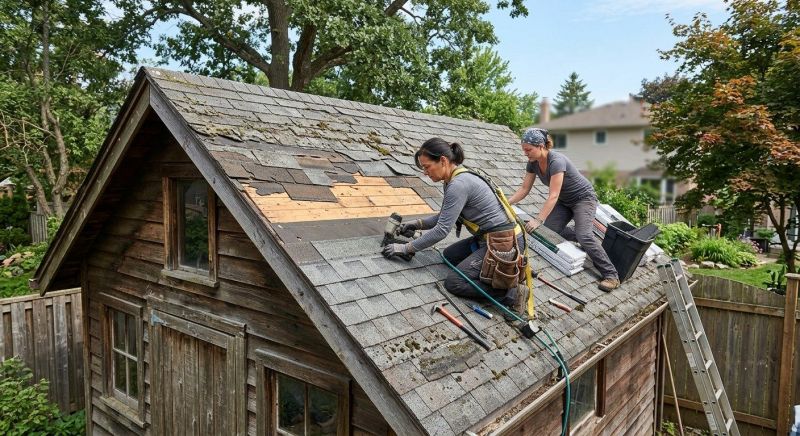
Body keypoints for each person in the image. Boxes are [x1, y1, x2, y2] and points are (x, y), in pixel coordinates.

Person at [382, 137, 529, 313]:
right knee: (450, 255)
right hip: (488, 239)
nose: (425, 173)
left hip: (503, 243)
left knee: (454, 283)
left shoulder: (458, 184)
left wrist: (405, 248)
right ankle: (486, 269)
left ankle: (509, 292)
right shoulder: (452, 180)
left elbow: (442, 231)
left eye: (427, 167)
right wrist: (416, 224)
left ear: (443, 161)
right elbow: (444, 217)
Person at [508, 127, 620, 292]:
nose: (526, 153)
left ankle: (611, 275)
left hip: (583, 199)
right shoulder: (532, 163)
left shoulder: (556, 161)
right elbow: (524, 189)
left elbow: (553, 196)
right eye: (524, 150)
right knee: (550, 231)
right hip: (564, 201)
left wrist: (538, 219)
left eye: (528, 149)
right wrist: (506, 202)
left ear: (541, 146)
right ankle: (583, 236)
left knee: (584, 236)